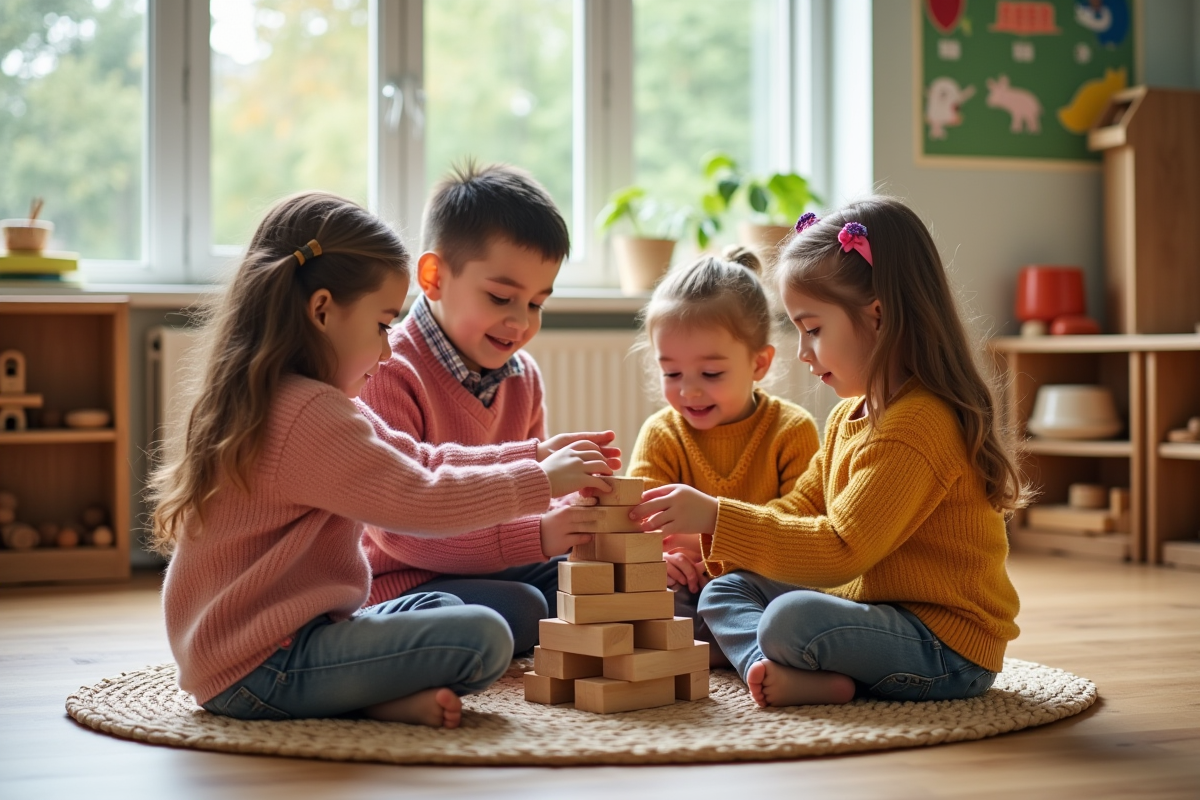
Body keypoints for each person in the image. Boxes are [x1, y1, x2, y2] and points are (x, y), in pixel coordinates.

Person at [150, 191, 618, 728]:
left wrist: (534, 452)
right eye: (381, 326)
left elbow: (420, 458)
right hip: (259, 664)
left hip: (299, 633)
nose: (389, 347)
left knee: (465, 612)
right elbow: (419, 498)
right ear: (322, 310)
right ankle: (364, 694)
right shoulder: (307, 416)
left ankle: (370, 693)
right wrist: (537, 479)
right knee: (484, 635)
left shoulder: (315, 401)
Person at [631, 198, 1025, 707]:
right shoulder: (849, 417)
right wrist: (707, 533)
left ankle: (780, 657)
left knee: (790, 620)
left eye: (813, 329)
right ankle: (765, 669)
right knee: (725, 591)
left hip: (944, 647)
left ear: (877, 317)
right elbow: (797, 511)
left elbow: (841, 551)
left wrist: (716, 516)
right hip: (875, 611)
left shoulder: (918, 423)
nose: (802, 351)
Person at [358, 162, 615, 656]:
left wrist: (581, 514)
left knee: (601, 585)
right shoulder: (387, 368)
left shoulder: (524, 378)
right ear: (433, 277)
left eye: (538, 303)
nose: (520, 322)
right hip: (404, 581)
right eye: (501, 297)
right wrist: (543, 533)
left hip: (493, 565)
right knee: (522, 607)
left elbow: (534, 498)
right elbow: (400, 534)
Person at [625, 246, 819, 666]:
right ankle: (754, 652)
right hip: (689, 591)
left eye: (711, 374)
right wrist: (660, 560)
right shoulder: (662, 434)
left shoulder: (792, 429)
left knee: (806, 605)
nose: (689, 391)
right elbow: (634, 522)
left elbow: (803, 527)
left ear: (759, 363)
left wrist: (710, 541)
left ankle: (746, 650)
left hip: (766, 586)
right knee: (630, 596)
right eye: (672, 373)